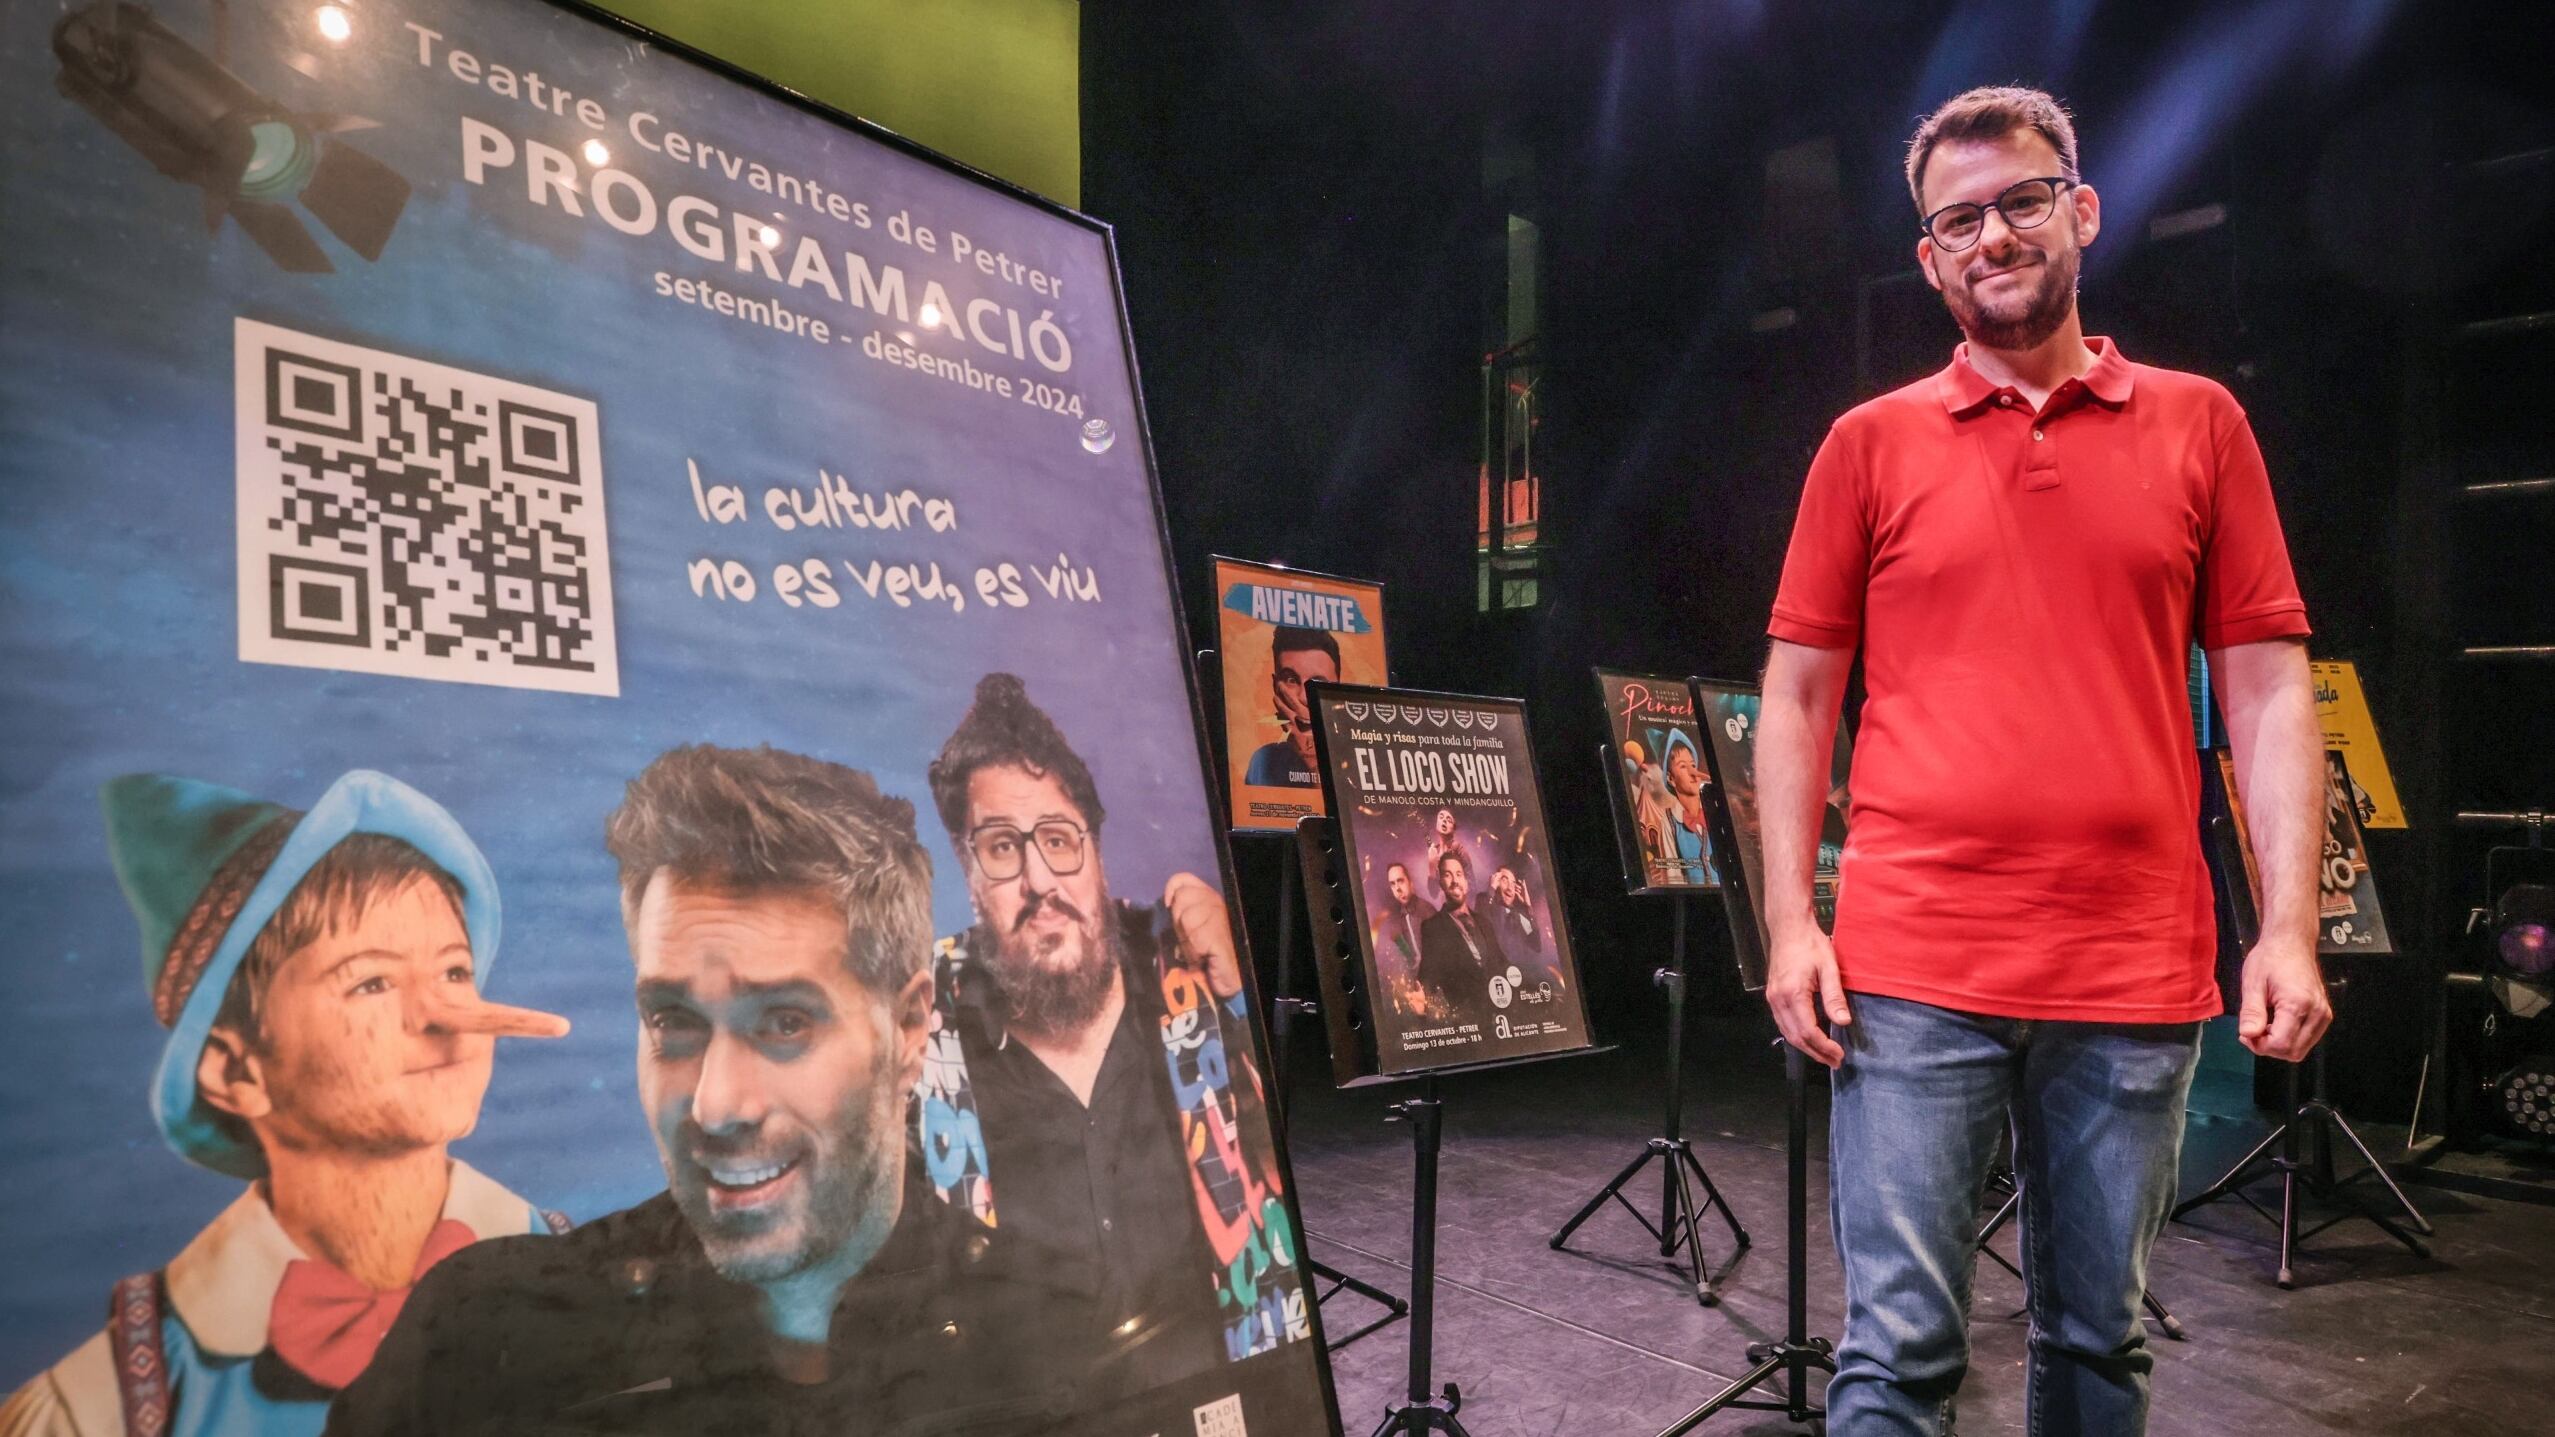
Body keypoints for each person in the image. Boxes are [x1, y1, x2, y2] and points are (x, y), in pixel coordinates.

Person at [1755, 86, 2328, 1435]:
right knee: (1891, 1358)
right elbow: (1792, 700)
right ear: (1926, 257)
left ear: (2076, 211)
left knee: (2095, 1344)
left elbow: (2263, 688)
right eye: (1955, 219)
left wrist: (2287, 927)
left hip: (2128, 967)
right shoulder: (1865, 445)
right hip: (1909, 966)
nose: (1989, 236)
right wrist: (1789, 919)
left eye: (2017, 201)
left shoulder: (2197, 425)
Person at [328, 745, 1088, 1436]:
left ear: (910, 1027)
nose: (716, 1105)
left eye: (784, 1021)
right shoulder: (480, 1338)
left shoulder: (1061, 1329)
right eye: (674, 1020)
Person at [1, 770, 568, 1437]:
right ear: (237, 1069)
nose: (444, 1017)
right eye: (371, 982)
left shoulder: (586, 1285)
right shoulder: (103, 1407)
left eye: (454, 972)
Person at [924, 674, 1305, 1383]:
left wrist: (1241, 997)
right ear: (965, 864)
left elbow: (1286, 1176)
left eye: (1060, 839)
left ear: (1094, 847)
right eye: (1003, 847)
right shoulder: (918, 1040)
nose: (1040, 879)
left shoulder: (1191, 985)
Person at [1415, 848, 1507, 1024]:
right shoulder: (1432, 927)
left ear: (1466, 881)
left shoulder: (1485, 922)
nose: (1455, 880)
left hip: (1502, 1017)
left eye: (1459, 874)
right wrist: (1421, 1008)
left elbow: (1503, 964)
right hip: (1468, 1024)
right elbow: (1427, 978)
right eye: (1448, 875)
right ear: (1441, 882)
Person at [1241, 626, 1339, 788]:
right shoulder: (1262, 761)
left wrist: (1313, 760)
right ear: (1275, 685)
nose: (1303, 697)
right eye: (1291, 680)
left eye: (1318, 682)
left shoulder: (1364, 760)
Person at [1371, 861, 1436, 1017]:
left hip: (1433, 985)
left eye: (1400, 881)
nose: (1398, 888)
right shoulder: (1396, 921)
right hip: (1413, 986)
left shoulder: (1427, 911)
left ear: (1410, 882)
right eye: (1392, 884)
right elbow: (1405, 955)